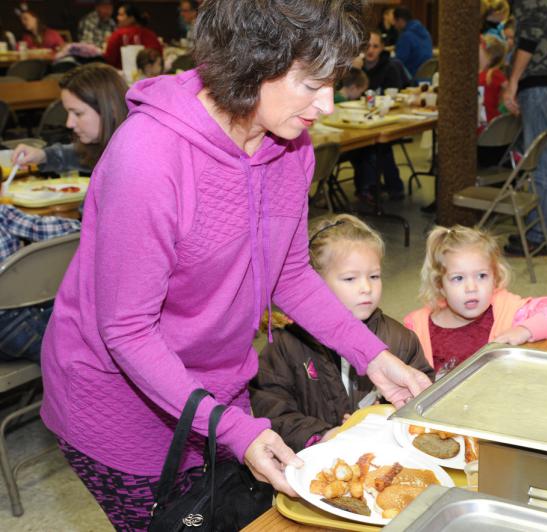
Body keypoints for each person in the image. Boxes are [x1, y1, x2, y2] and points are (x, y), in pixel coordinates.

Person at [39, 1, 430, 528]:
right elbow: (127, 329)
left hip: (216, 390)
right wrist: (229, 429)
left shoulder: (291, 145)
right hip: (117, 405)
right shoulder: (149, 156)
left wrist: (372, 356)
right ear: (252, 61)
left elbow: (288, 275)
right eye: (312, 83)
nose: (328, 104)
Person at [251, 215, 434, 452]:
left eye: (374, 276)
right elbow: (270, 408)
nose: (366, 288)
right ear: (312, 284)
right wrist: (324, 434)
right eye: (350, 278)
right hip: (313, 462)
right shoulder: (287, 344)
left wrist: (383, 418)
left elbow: (422, 398)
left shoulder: (400, 339)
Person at [404, 226, 547, 376]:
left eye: (481, 276)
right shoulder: (417, 328)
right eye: (458, 278)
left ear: (495, 278)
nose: (471, 287)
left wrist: (523, 330)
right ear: (439, 285)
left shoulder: (508, 311)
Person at [503, 0, 547, 257]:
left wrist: (513, 81)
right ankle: (540, 231)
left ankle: (540, 236)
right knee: (545, 161)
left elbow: (529, 38)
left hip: (540, 84)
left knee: (541, 163)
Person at [11, 64, 129, 175]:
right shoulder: (105, 144)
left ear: (111, 109)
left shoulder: (135, 159)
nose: (69, 124)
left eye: (78, 113)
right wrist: (43, 155)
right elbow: (81, 154)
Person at [0, 205, 80, 363]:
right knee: (76, 342)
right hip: (17, 315)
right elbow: (40, 228)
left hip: (13, 323)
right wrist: (86, 224)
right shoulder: (3, 214)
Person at [349, 32, 408, 203]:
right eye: (367, 46)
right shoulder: (354, 67)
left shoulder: (390, 67)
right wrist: (355, 71)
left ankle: (379, 187)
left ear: (382, 48)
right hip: (356, 119)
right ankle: (368, 186)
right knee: (360, 146)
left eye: (375, 46)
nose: (370, 50)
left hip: (384, 119)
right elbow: (344, 93)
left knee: (380, 146)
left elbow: (395, 97)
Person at [103, 3, 163, 69]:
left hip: (121, 76)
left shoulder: (117, 34)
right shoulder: (150, 34)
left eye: (121, 15)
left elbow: (109, 60)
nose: (117, 18)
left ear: (131, 18)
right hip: (150, 74)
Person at [392, 7, 433, 78]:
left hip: (411, 76)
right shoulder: (425, 32)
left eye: (395, 21)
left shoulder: (406, 36)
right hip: (427, 76)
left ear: (400, 20)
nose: (394, 24)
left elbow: (398, 61)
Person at [478, 34, 508, 127]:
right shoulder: (483, 74)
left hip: (486, 126)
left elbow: (508, 87)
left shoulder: (492, 74)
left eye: (479, 50)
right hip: (484, 124)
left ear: (489, 56)